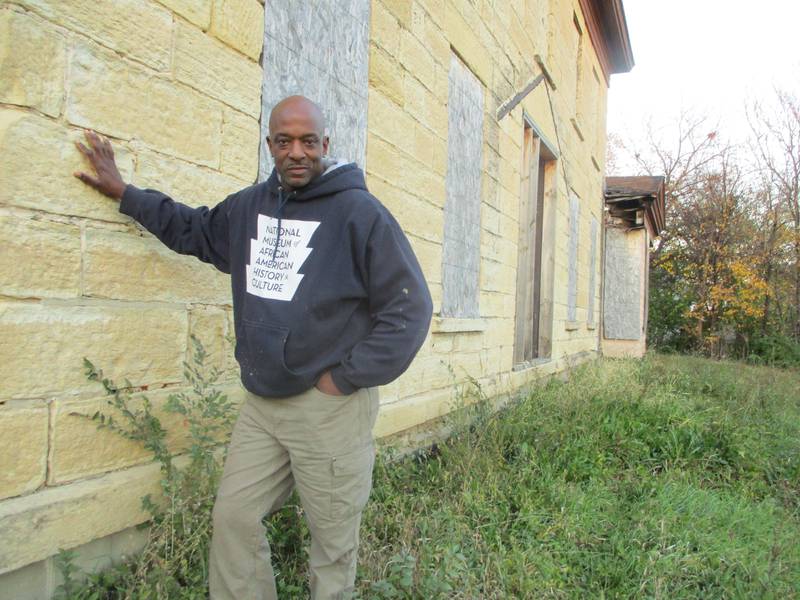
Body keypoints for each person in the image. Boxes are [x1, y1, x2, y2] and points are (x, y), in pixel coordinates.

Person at [74, 95, 433, 600]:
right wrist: (125, 193)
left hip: (328, 408)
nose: (297, 152)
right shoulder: (250, 208)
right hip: (263, 405)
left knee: (331, 544)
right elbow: (194, 230)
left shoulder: (361, 215)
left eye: (308, 141)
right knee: (234, 516)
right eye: (284, 141)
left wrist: (343, 379)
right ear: (270, 145)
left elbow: (409, 309)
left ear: (325, 145)